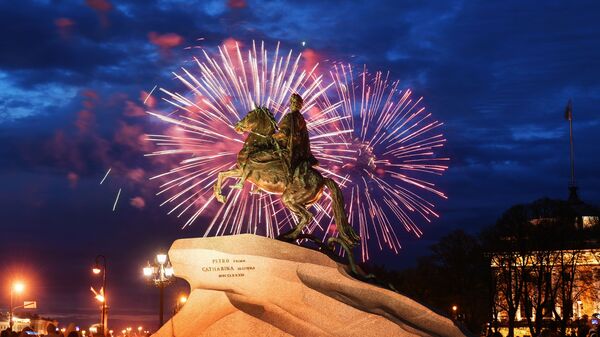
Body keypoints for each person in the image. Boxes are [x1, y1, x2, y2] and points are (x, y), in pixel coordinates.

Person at [273, 93, 318, 182]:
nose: (291, 104)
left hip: (290, 148)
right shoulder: (301, 118)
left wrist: (273, 136)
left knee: (270, 155)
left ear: (292, 104)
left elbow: (284, 133)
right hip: (300, 150)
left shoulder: (290, 117)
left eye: (292, 103)